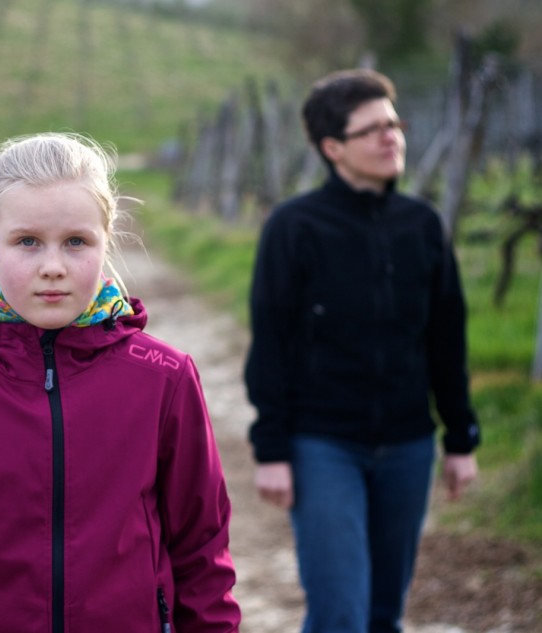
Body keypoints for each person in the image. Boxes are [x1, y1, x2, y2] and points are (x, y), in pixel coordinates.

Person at [0, 132, 241, 632]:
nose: (53, 268)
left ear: (107, 242)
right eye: (27, 242)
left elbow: (202, 553)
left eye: (76, 242)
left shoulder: (164, 378)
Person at [244, 69, 481, 633]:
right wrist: (271, 448)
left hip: (408, 446)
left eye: (394, 123)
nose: (391, 136)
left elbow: (447, 339)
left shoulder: (422, 225)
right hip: (323, 444)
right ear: (333, 148)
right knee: (339, 616)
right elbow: (270, 342)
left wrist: (460, 436)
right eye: (372, 128)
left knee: (383, 615)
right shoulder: (294, 228)